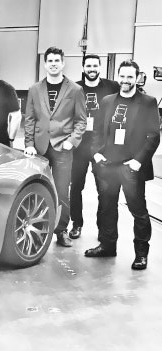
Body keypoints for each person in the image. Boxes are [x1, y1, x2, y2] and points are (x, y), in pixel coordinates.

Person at [85, 59, 160, 270]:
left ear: (137, 78)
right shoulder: (108, 101)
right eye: (123, 76)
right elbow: (97, 131)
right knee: (106, 208)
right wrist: (96, 154)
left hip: (131, 167)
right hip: (107, 165)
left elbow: (153, 136)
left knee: (138, 211)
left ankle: (141, 254)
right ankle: (107, 246)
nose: (125, 80)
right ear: (118, 76)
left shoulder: (147, 102)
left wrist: (137, 162)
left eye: (130, 77)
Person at [24, 46, 87, 247]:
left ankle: (61, 231)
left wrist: (72, 141)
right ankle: (36, 231)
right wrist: (29, 144)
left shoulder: (75, 89)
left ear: (63, 63)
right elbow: (29, 119)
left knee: (61, 192)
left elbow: (81, 121)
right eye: (49, 61)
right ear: (45, 64)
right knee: (36, 190)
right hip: (39, 149)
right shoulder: (35, 89)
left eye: (56, 61)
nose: (53, 64)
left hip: (63, 148)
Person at [68, 54, 120, 239]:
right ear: (83, 68)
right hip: (79, 147)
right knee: (76, 188)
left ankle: (102, 228)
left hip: (102, 147)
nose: (92, 69)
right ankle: (76, 224)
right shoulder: (74, 88)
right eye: (88, 66)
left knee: (104, 190)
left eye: (95, 65)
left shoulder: (112, 87)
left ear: (100, 67)